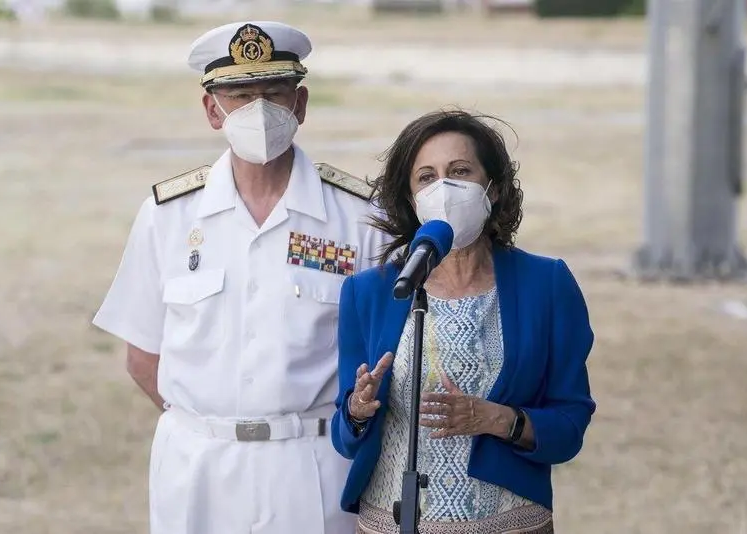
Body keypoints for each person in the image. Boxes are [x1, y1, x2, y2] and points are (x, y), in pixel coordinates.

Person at [93, 21, 387, 534]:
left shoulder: (358, 217)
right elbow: (143, 357)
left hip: (313, 462)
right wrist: (211, 422)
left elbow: (390, 351)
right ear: (212, 110)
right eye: (241, 96)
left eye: (274, 94)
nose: (260, 111)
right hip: (197, 466)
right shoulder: (169, 214)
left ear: (300, 105)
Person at [330, 110, 596, 534]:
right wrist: (359, 410)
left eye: (460, 171)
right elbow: (344, 435)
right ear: (410, 198)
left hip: (511, 525)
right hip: (392, 523)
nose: (444, 188)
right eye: (426, 177)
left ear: (493, 186)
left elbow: (569, 425)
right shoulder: (372, 291)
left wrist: (495, 419)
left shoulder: (547, 284)